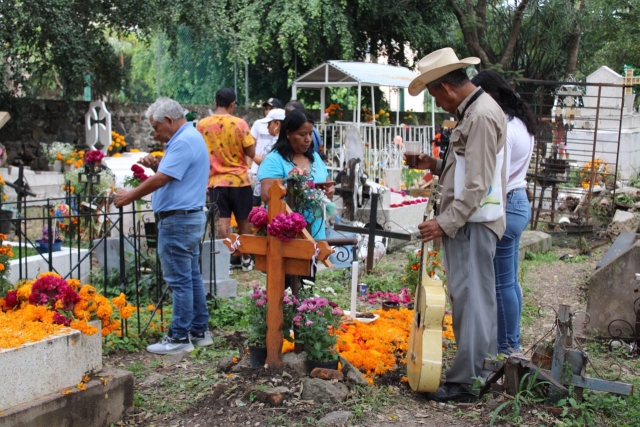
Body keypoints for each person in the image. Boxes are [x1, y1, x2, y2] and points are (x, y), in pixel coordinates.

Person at [407, 47, 507, 403]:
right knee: (472, 296)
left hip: (472, 222)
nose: (438, 103)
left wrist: (445, 222)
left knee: (472, 298)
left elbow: (477, 183)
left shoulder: (479, 115)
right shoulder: (475, 111)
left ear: (444, 88)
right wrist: (434, 164)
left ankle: (467, 380)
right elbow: (468, 169)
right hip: (471, 221)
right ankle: (478, 371)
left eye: (434, 95)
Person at [114, 97, 211, 355]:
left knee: (180, 280)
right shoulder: (189, 137)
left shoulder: (182, 141)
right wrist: (159, 164)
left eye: (156, 128)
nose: (155, 134)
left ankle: (179, 337)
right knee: (190, 276)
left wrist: (128, 196)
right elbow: (172, 173)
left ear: (169, 120)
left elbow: (161, 180)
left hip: (178, 220)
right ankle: (199, 331)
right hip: (187, 217)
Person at [471, 70, 536, 355]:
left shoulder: (505, 126)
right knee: (509, 281)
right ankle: (511, 341)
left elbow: (495, 175)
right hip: (519, 200)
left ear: (491, 95)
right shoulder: (521, 122)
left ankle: (509, 346)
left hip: (506, 204)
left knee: (501, 284)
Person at [197, 88, 256, 271]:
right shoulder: (240, 124)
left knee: (222, 223)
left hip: (215, 182)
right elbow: (251, 153)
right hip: (239, 181)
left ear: (215, 103)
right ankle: (246, 259)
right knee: (243, 221)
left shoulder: (202, 125)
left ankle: (226, 260)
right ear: (232, 104)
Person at [258, 109, 334, 239]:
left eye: (310, 134)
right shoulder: (274, 160)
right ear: (288, 133)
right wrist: (295, 188)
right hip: (287, 232)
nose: (308, 139)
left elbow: (326, 181)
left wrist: (329, 190)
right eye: (302, 134)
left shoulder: (315, 157)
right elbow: (267, 195)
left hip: (316, 230)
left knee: (314, 258)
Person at [250, 98, 283, 206]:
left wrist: (248, 151)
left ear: (277, 124)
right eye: (266, 108)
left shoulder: (276, 141)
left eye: (269, 124)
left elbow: (263, 161)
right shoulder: (282, 140)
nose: (268, 126)